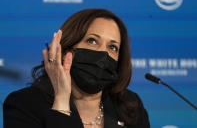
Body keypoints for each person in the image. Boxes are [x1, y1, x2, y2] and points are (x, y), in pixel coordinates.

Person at [3, 9, 150, 128]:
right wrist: (61, 101)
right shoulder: (24, 104)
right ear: (66, 48)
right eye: (92, 41)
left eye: (112, 47)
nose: (102, 54)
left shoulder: (130, 105)